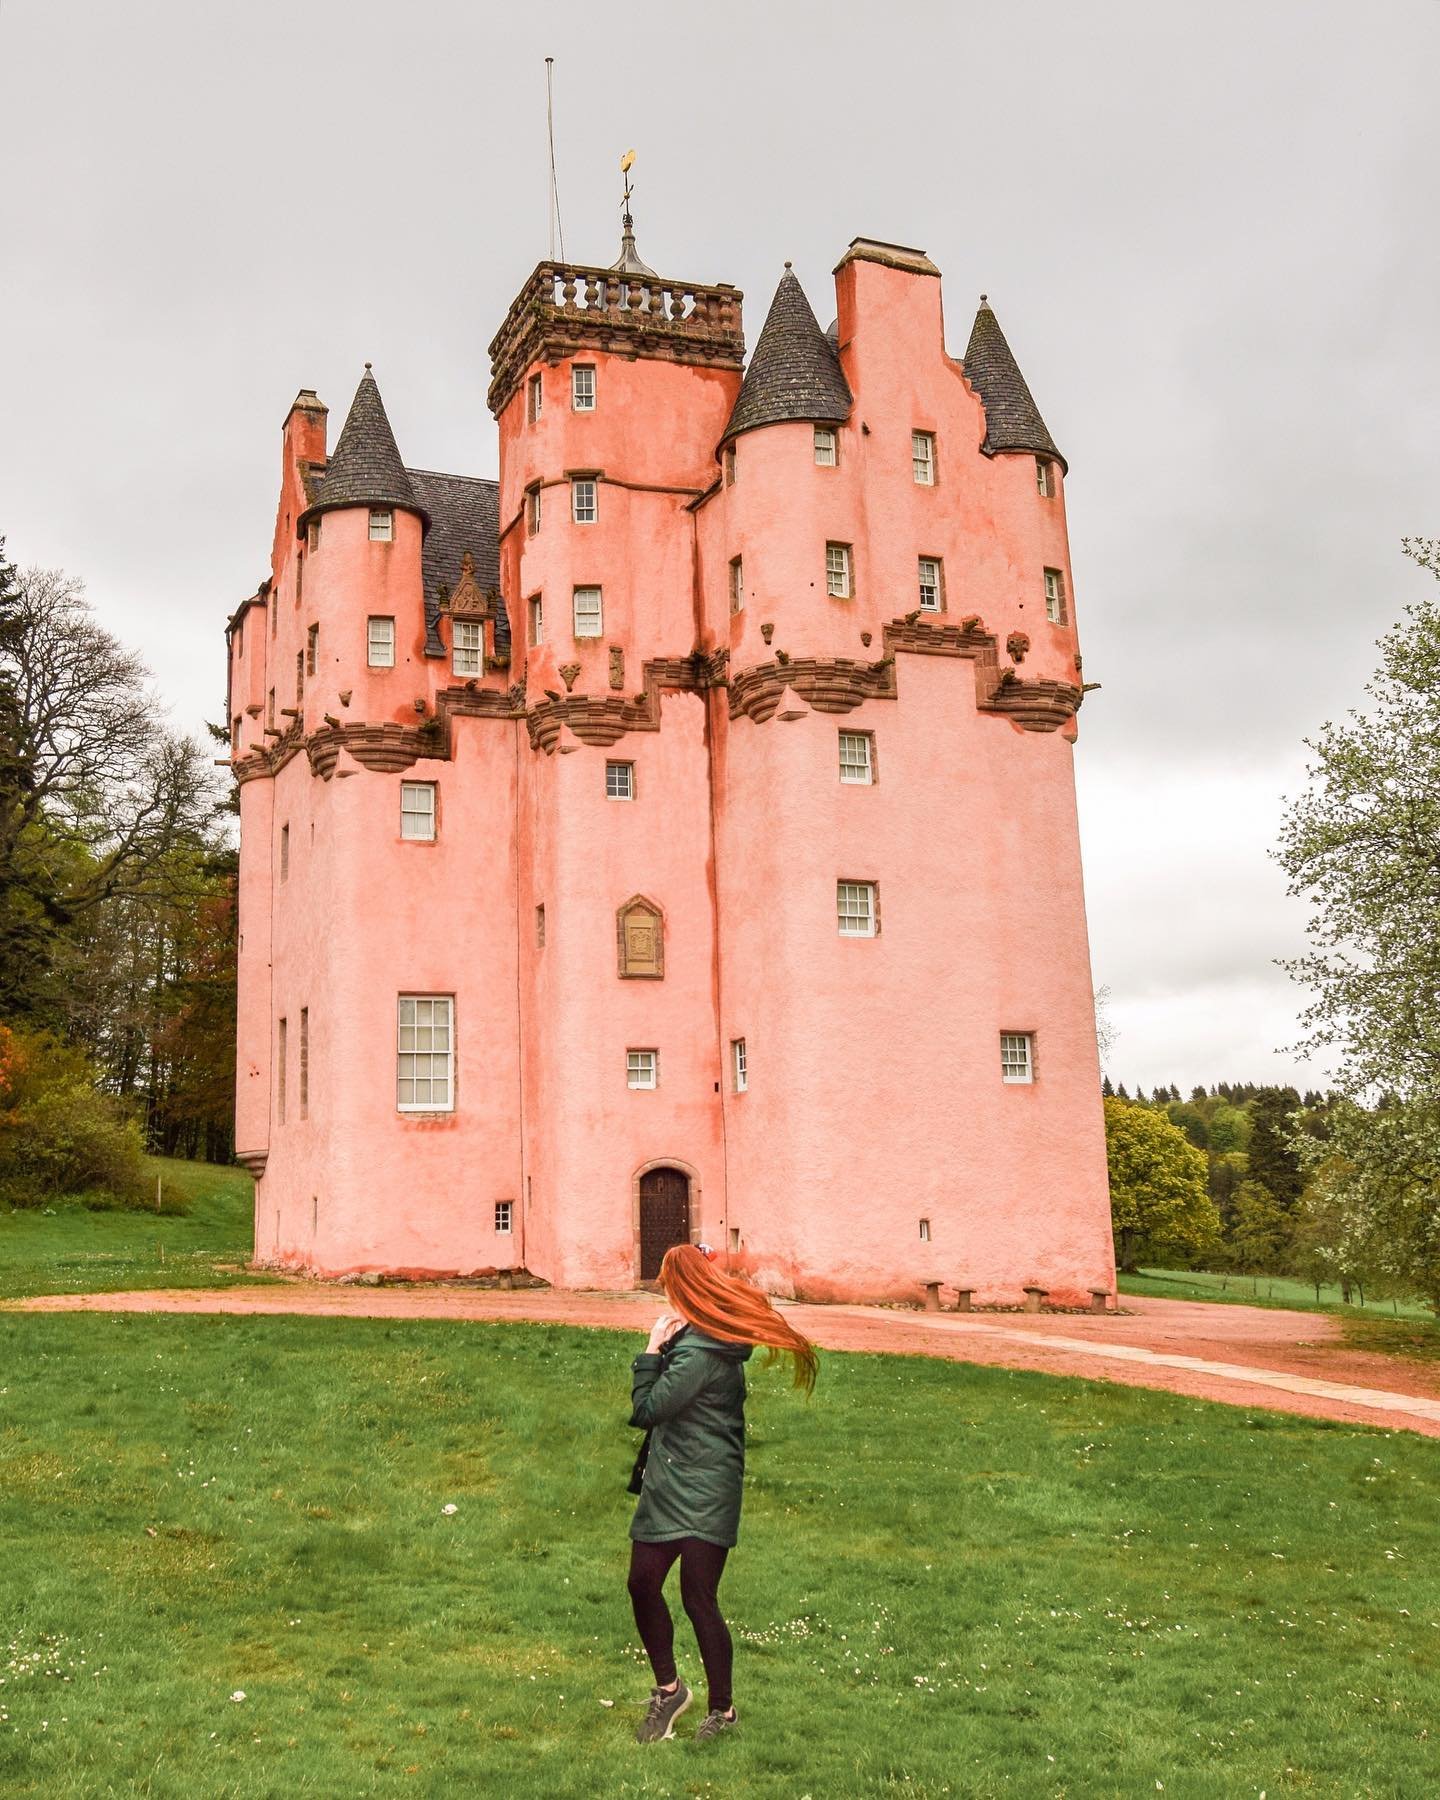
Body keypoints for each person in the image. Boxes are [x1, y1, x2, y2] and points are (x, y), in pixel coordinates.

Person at [626, 1241, 819, 1744]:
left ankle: (722, 1710)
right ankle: (670, 1691)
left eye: (668, 1286)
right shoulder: (695, 1340)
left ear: (681, 1287)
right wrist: (669, 1343)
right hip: (670, 1481)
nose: (665, 1294)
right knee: (642, 1584)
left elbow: (648, 1409)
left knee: (698, 1598)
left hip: (706, 1488)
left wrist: (650, 1352)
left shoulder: (702, 1352)